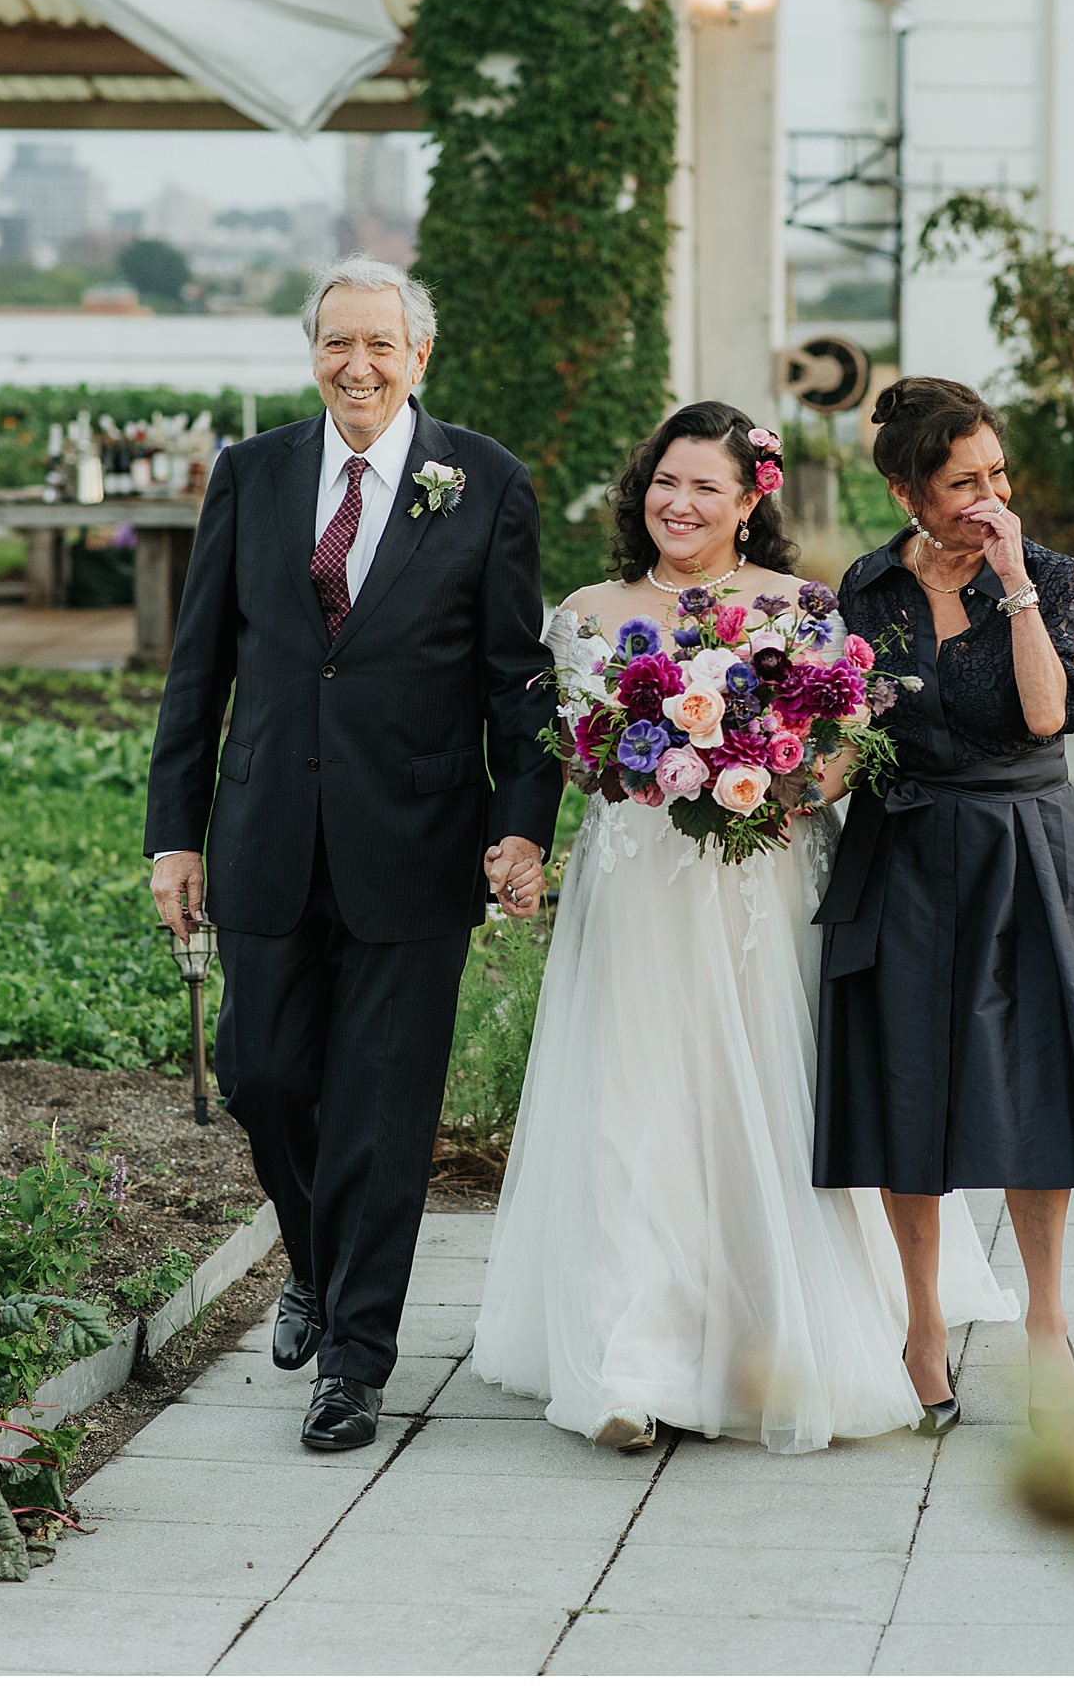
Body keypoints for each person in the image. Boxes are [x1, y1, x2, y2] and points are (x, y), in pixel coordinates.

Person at [472, 400, 1016, 1455]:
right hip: (634, 893)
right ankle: (630, 1359)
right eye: (664, 482)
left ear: (748, 499)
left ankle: (768, 1339)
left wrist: (801, 768)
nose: (678, 503)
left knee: (762, 1094)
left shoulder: (798, 608)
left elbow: (846, 738)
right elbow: (564, 749)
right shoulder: (588, 610)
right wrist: (532, 829)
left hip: (761, 886)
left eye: (705, 487)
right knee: (632, 1104)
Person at [145, 255, 560, 1453]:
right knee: (261, 1074)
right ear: (313, 350)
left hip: (417, 845)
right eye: (338, 343)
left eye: (381, 345)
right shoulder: (253, 472)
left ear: (419, 356)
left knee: (382, 1108)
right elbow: (198, 668)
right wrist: (175, 829)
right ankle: (315, 1263)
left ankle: (357, 1362)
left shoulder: (485, 482)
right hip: (267, 829)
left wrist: (521, 820)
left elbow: (513, 679)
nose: (358, 366)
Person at [813, 376, 1074, 1436]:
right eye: (962, 482)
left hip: (1025, 850)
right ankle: (921, 1324)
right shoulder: (868, 586)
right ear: (907, 492)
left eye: (998, 475)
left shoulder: (1053, 577)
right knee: (905, 1087)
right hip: (902, 853)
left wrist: (1013, 580)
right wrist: (768, 783)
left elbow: (1043, 711)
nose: (989, 497)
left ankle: (1047, 1320)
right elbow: (851, 732)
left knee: (1035, 1081)